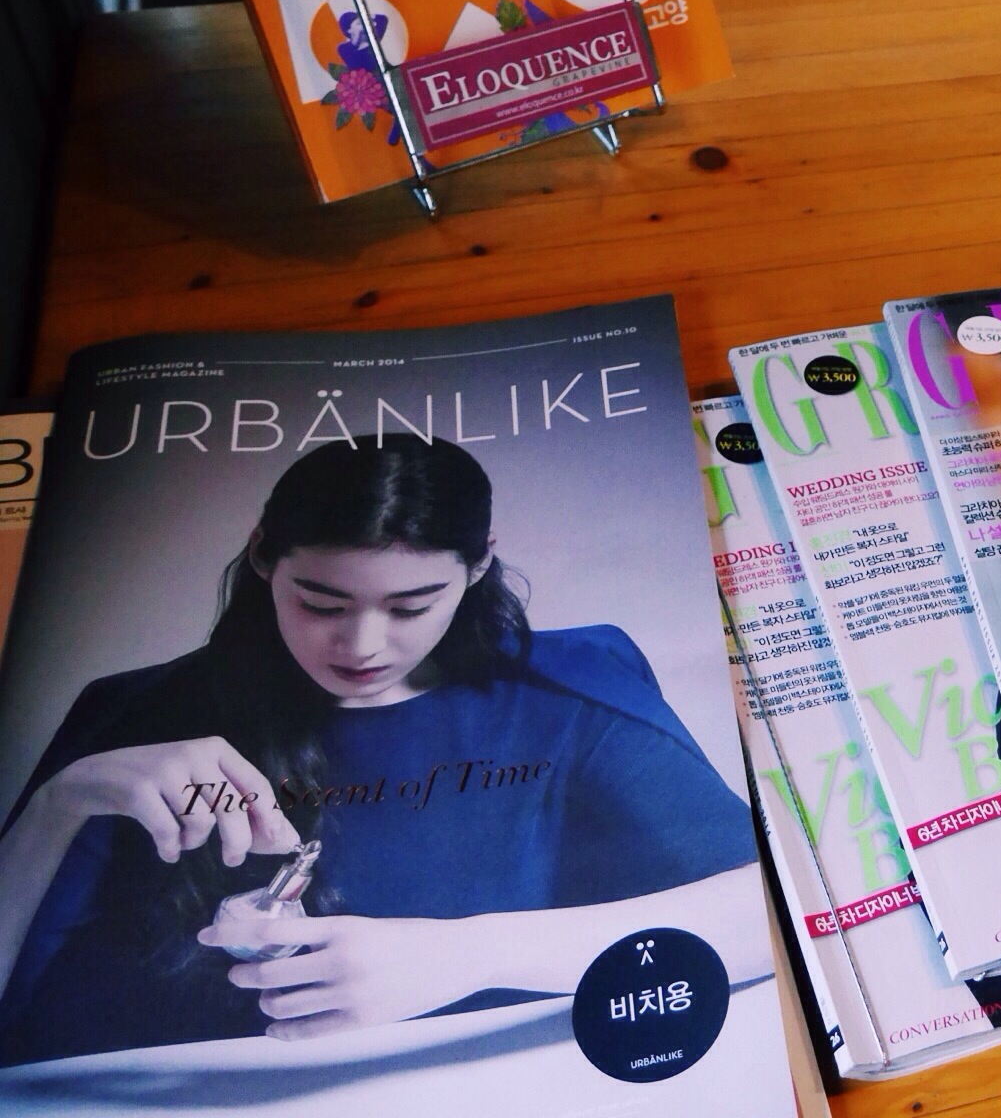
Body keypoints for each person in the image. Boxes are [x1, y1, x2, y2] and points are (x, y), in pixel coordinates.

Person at [0, 437, 763, 1066]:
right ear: (262, 555)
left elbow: (756, 915)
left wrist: (466, 955)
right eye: (320, 602)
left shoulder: (571, 694)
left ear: (479, 564)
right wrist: (59, 802)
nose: (362, 645)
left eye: (411, 606)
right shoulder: (133, 712)